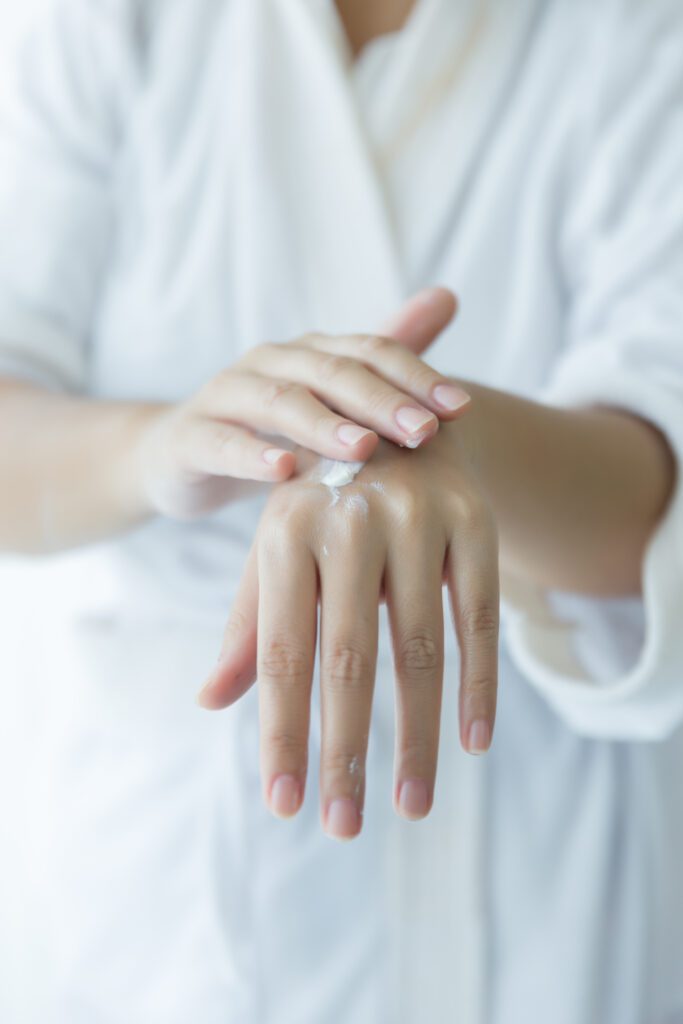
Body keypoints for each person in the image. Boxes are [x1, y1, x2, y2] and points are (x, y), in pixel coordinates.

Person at [0, 0, 682, 1021]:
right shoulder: (100, 25)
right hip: (165, 916)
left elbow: (654, 475)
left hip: (545, 900)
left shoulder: (637, 36)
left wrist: (448, 443)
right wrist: (164, 445)